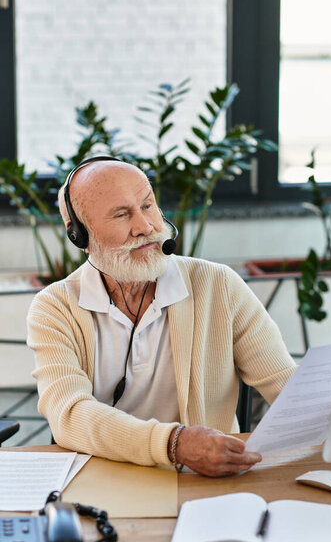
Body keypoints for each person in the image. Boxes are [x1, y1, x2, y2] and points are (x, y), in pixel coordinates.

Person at [27, 157, 296, 477]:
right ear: (79, 236)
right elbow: (69, 415)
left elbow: (286, 386)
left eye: (148, 205)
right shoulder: (55, 307)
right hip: (100, 478)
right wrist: (173, 444)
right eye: (122, 214)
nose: (146, 226)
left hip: (207, 480)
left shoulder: (218, 284)